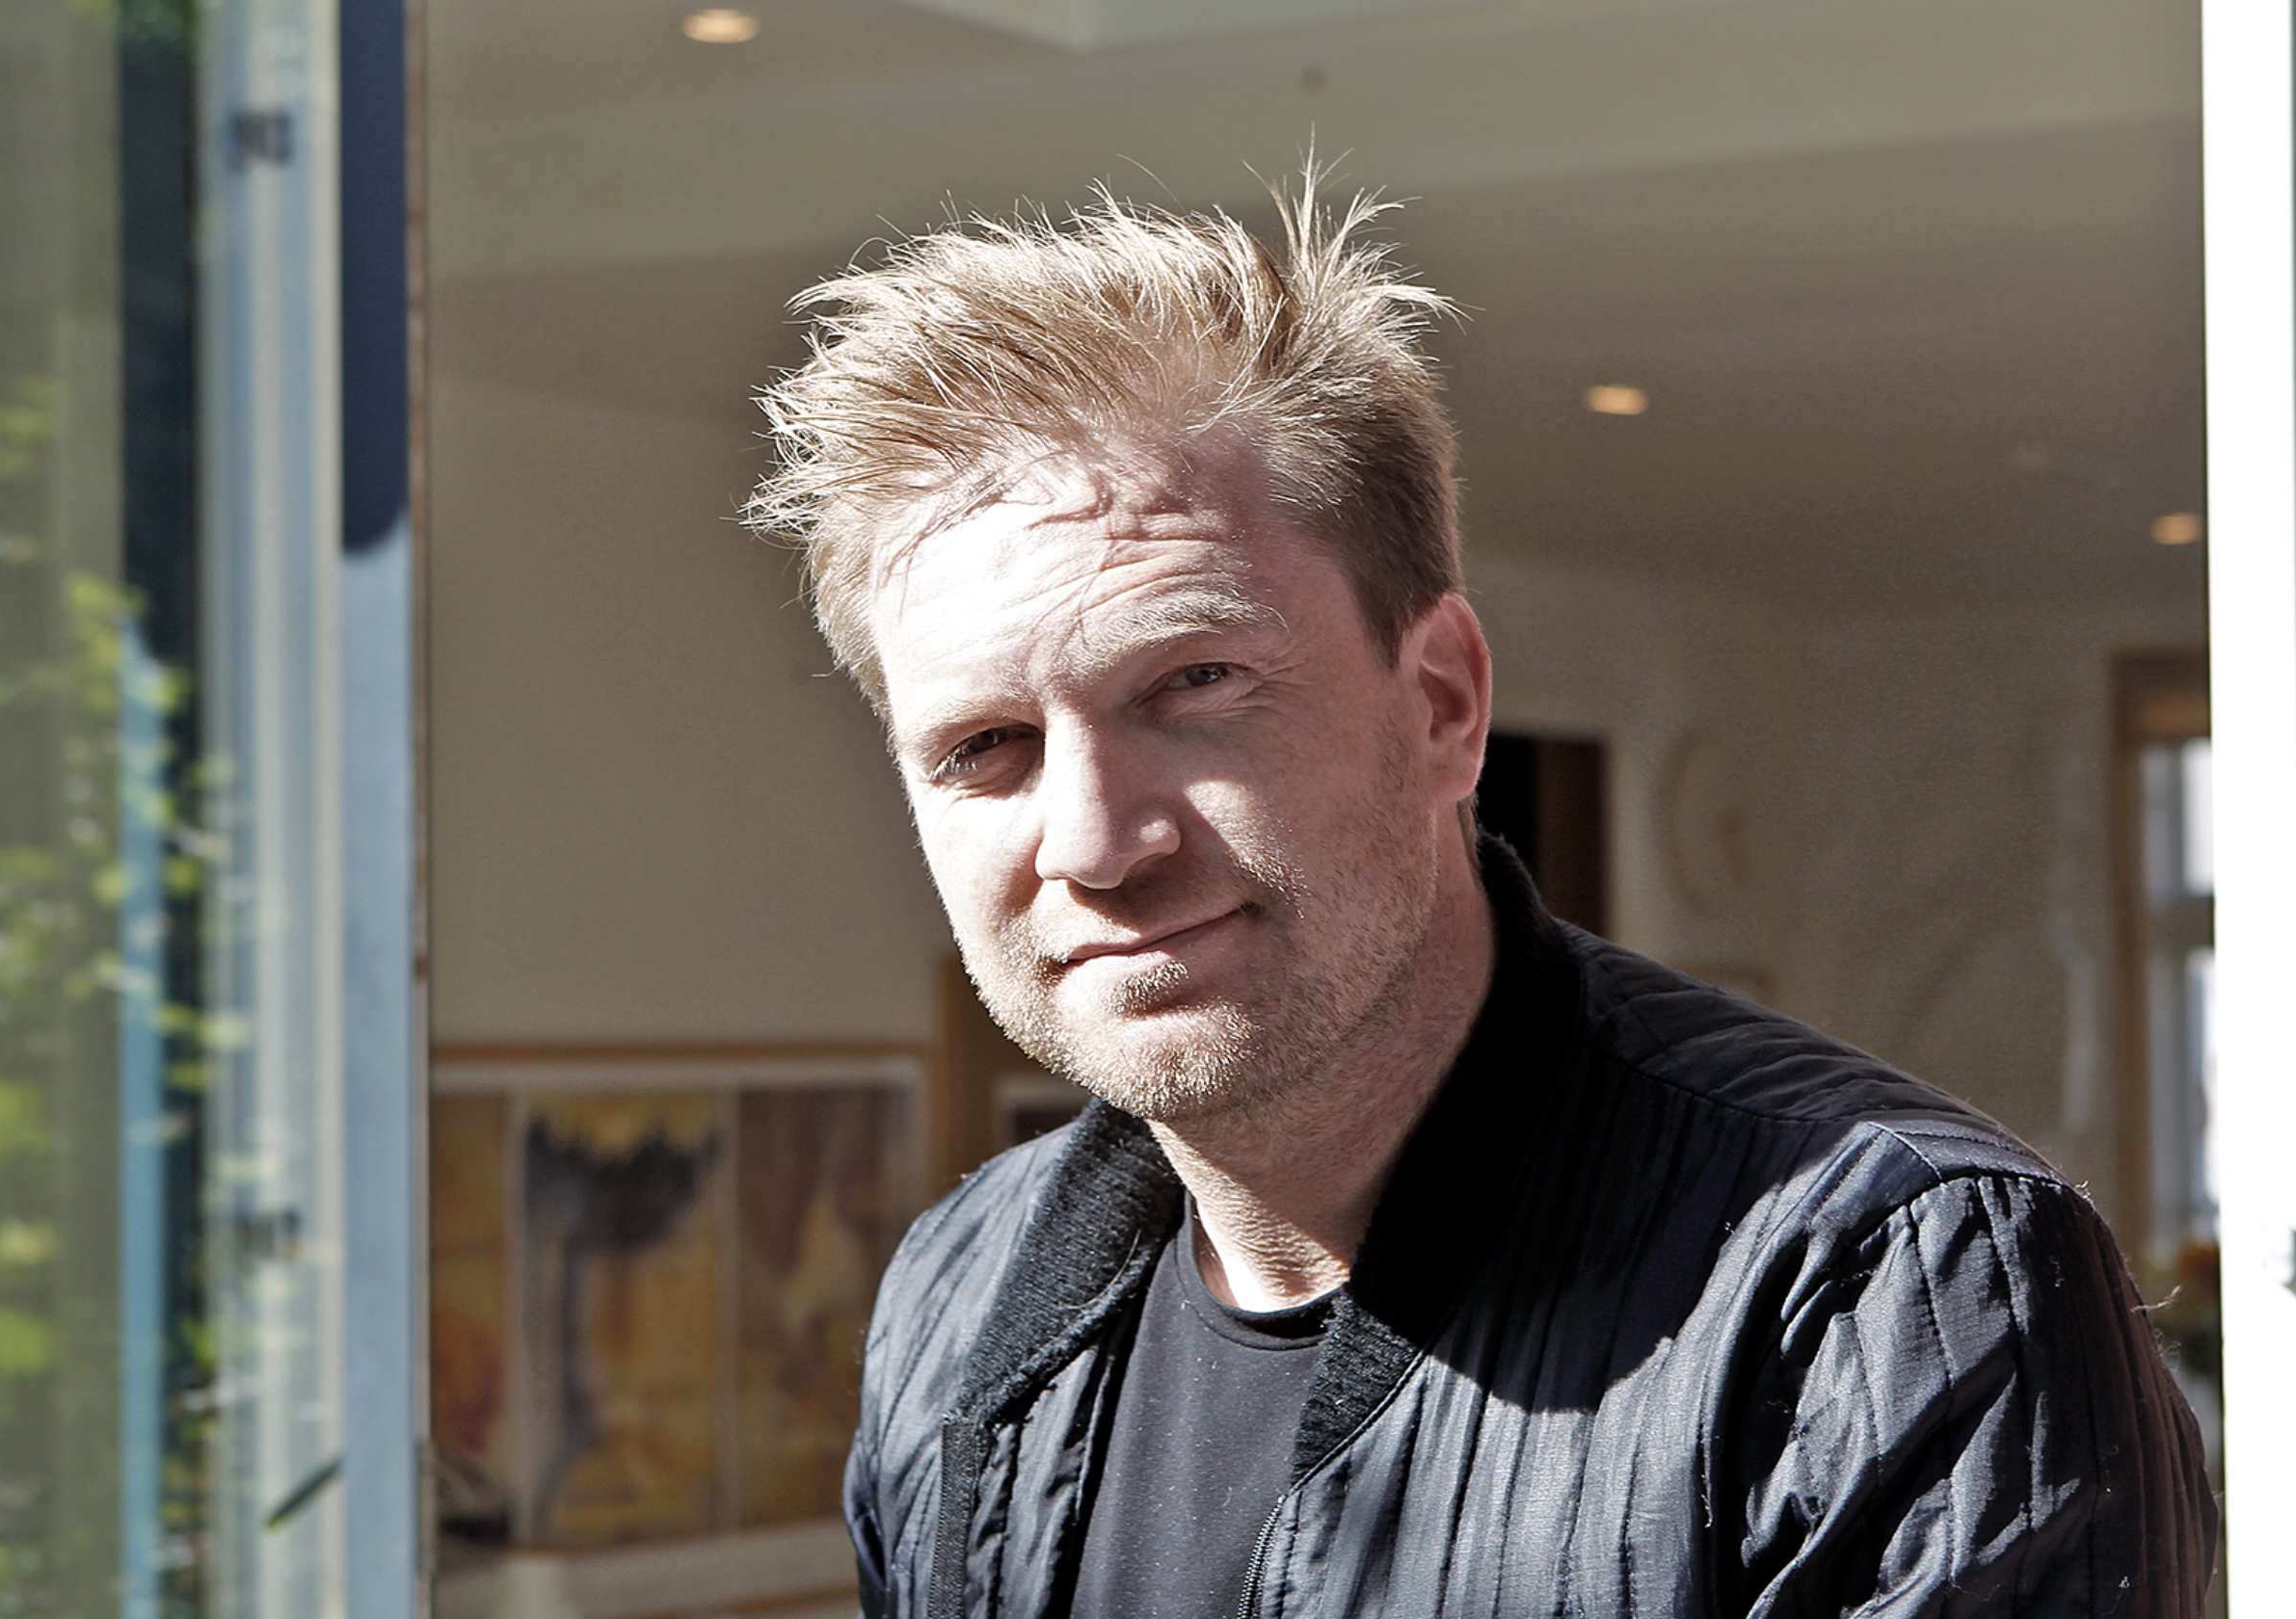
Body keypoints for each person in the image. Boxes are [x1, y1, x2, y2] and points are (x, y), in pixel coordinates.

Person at [744, 176, 2216, 1619]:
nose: (1096, 842)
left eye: (1195, 683)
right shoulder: (958, 1300)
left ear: (1444, 702)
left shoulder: (1891, 1294)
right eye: (984, 747)